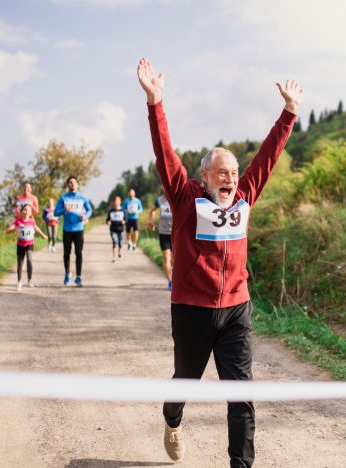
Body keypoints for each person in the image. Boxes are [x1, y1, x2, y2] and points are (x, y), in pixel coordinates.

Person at [137, 57, 302, 467]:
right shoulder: (184, 196)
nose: (230, 178)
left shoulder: (245, 194)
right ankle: (172, 420)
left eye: (234, 172)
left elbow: (267, 157)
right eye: (221, 172)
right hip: (191, 310)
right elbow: (164, 153)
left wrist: (289, 114)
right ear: (205, 176)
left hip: (235, 310)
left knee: (241, 394)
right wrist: (156, 103)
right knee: (185, 382)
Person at [54, 176, 93, 287]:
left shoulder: (82, 198)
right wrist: (63, 210)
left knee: (78, 253)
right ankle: (67, 274)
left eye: (74, 182)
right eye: (70, 182)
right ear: (68, 185)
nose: (73, 184)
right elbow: (56, 213)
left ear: (77, 184)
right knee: (67, 253)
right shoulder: (63, 198)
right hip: (67, 230)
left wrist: (85, 216)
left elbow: (90, 210)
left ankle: (78, 277)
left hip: (79, 229)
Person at [6, 203, 48, 292]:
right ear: (21, 212)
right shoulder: (18, 221)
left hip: (29, 244)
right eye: (25, 210)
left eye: (29, 210)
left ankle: (29, 280)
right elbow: (8, 230)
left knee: (29, 260)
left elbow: (36, 228)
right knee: (20, 263)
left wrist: (43, 236)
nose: (26, 211)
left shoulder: (32, 221)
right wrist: (15, 228)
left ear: (31, 213)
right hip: (20, 245)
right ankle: (19, 282)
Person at [148, 193, 173, 289]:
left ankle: (175, 279)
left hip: (175, 234)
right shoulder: (159, 200)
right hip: (163, 233)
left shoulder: (176, 197)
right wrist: (150, 221)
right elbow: (151, 211)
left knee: (175, 260)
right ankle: (170, 281)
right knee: (166, 257)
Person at [106, 195, 126, 262]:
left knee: (120, 243)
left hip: (120, 229)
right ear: (113, 202)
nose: (116, 203)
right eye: (115, 201)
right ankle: (114, 257)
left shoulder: (123, 211)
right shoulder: (111, 211)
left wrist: (124, 221)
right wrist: (108, 222)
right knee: (114, 242)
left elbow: (126, 219)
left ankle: (119, 251)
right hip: (113, 229)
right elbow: (107, 219)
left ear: (120, 202)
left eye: (118, 201)